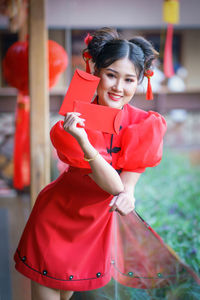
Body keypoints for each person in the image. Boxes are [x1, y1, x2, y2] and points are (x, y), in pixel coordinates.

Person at [14, 27, 167, 300]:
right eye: (111, 75)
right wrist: (84, 142)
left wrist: (129, 194)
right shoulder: (75, 120)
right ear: (96, 72)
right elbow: (113, 184)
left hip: (93, 227)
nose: (119, 87)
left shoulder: (144, 124)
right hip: (56, 218)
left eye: (129, 80)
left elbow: (126, 183)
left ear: (140, 82)